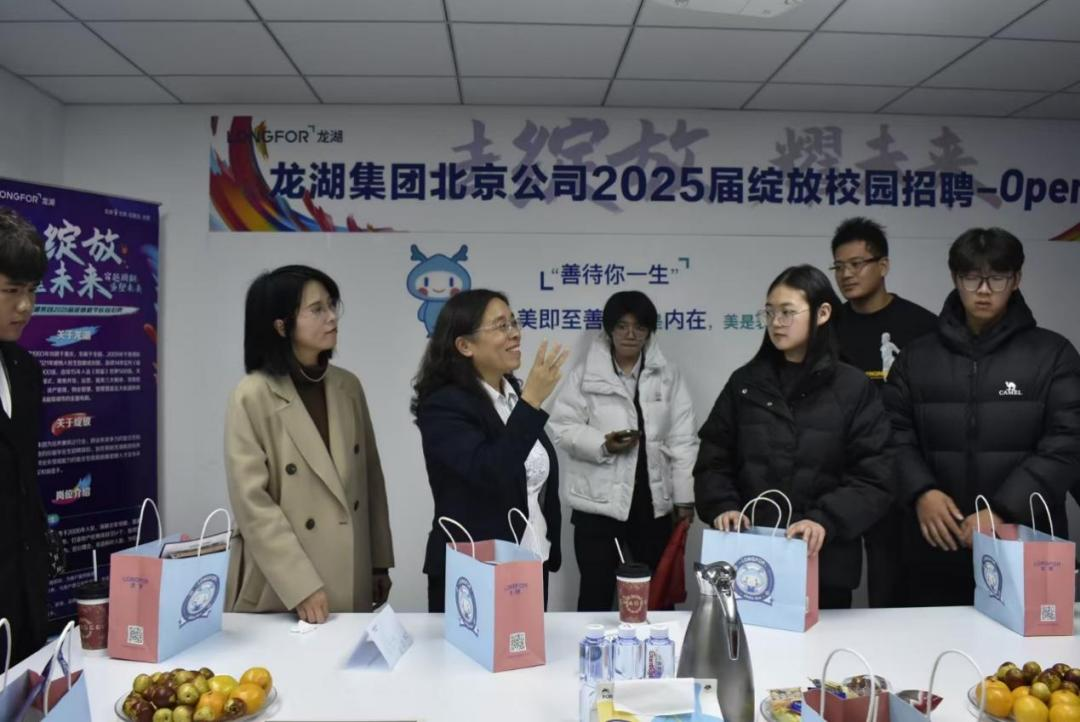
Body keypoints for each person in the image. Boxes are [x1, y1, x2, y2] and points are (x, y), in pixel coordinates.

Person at [883, 228, 1080, 606]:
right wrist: (921, 492)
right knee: (929, 641)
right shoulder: (916, 357)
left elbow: (1067, 442)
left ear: (1017, 279)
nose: (984, 290)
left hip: (1023, 543)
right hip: (936, 543)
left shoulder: (1053, 354)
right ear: (956, 279)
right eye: (972, 278)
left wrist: (1004, 509)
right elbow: (891, 433)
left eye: (998, 277)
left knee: (1025, 645)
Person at [694, 265, 893, 609]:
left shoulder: (852, 387)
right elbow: (713, 459)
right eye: (770, 312)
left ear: (823, 313)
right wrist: (723, 506)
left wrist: (824, 520)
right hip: (750, 559)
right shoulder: (745, 383)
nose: (776, 322)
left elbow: (875, 475)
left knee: (821, 644)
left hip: (823, 562)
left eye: (787, 312)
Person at [225, 265, 394, 623]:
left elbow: (370, 479)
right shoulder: (252, 395)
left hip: (351, 570)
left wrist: (378, 563)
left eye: (332, 305)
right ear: (281, 326)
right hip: (282, 586)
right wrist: (300, 585)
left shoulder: (348, 387)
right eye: (317, 309)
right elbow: (253, 504)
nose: (331, 317)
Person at [412, 289, 566, 612]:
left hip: (531, 557)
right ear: (465, 346)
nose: (515, 333)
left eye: (514, 322)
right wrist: (532, 402)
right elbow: (490, 471)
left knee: (530, 646)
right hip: (474, 568)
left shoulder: (514, 396)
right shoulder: (443, 405)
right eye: (500, 326)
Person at [549, 291, 698, 612]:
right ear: (608, 329)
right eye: (621, 326)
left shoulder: (668, 376)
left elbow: (683, 439)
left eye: (639, 327)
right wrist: (603, 444)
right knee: (595, 595)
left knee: (656, 598)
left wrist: (684, 498)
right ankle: (592, 645)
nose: (630, 334)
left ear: (649, 331)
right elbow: (561, 426)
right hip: (597, 507)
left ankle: (657, 646)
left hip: (652, 507)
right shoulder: (585, 375)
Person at [828, 217, 937, 608]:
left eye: (857, 264)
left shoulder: (923, 326)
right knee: (830, 589)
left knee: (894, 590)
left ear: (884, 265)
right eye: (839, 266)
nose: (846, 274)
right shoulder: (828, 328)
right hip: (841, 474)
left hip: (901, 472)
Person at [0, 207, 49, 665]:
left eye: (31, 290)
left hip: (25, 593)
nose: (25, 306)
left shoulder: (26, 370)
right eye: (11, 291)